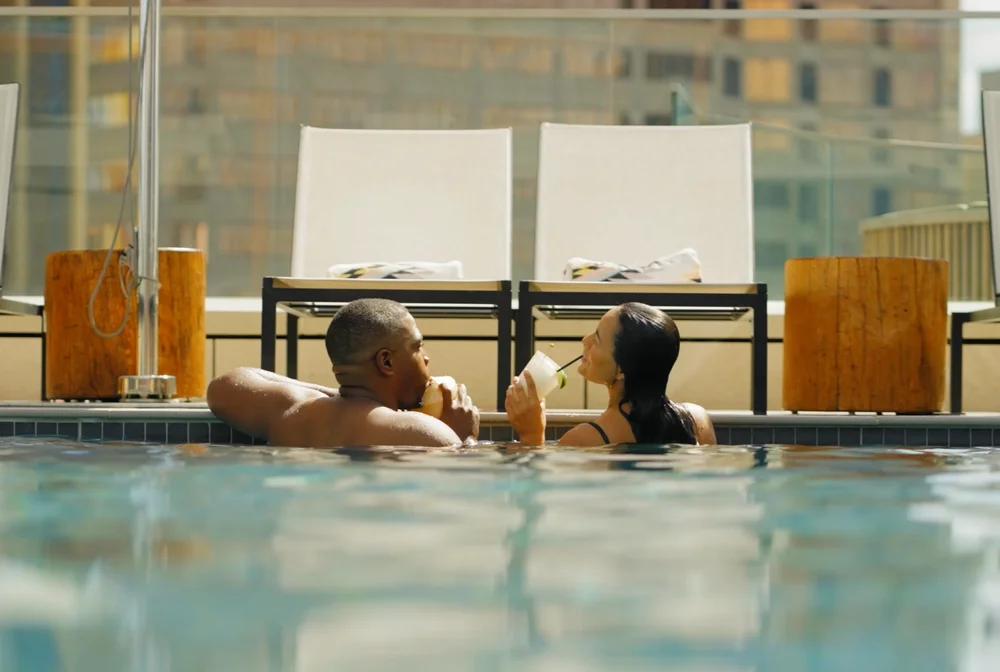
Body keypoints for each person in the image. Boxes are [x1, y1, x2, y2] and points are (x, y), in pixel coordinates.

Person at [207, 299, 479, 448]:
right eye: (417, 347)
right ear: (386, 362)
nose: (426, 357)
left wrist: (343, 391)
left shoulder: (293, 413)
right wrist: (464, 439)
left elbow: (224, 385)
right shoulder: (421, 432)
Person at [505, 302, 716, 446]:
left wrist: (531, 434)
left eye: (596, 338)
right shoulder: (697, 421)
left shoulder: (585, 439)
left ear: (622, 369)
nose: (585, 340)